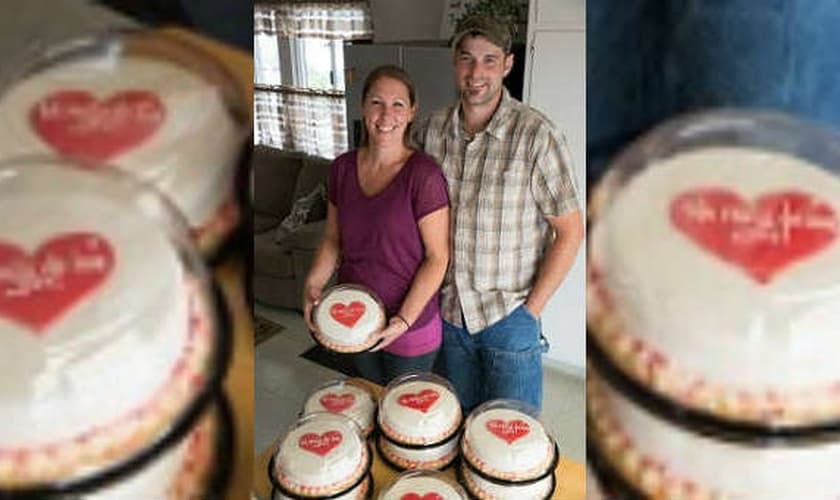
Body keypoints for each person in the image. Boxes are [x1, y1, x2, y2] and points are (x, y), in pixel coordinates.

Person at [413, 15, 584, 411]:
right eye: (467, 59)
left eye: (489, 60)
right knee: (457, 428)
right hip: (450, 315)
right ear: (454, 62)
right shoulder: (431, 130)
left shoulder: (538, 135)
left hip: (509, 318)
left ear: (508, 64)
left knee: (512, 443)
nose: (476, 73)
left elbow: (571, 231)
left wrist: (531, 312)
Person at [303, 65, 450, 386]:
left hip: (409, 328)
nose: (386, 115)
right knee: (368, 399)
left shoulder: (424, 175)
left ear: (412, 112)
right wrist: (313, 285)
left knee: (400, 418)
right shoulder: (342, 168)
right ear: (362, 107)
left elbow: (438, 257)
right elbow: (332, 239)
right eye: (376, 102)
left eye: (398, 104)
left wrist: (403, 320)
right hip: (353, 319)